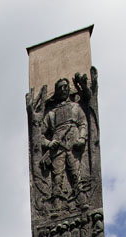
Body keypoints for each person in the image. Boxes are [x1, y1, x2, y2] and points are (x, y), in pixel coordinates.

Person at [40, 78, 88, 206]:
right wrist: (49, 143)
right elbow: (39, 135)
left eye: (65, 87)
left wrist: (82, 138)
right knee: (57, 176)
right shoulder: (51, 114)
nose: (63, 90)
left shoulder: (75, 107)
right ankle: (57, 205)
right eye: (60, 88)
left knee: (75, 172)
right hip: (58, 147)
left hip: (73, 143)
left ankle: (81, 201)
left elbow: (83, 124)